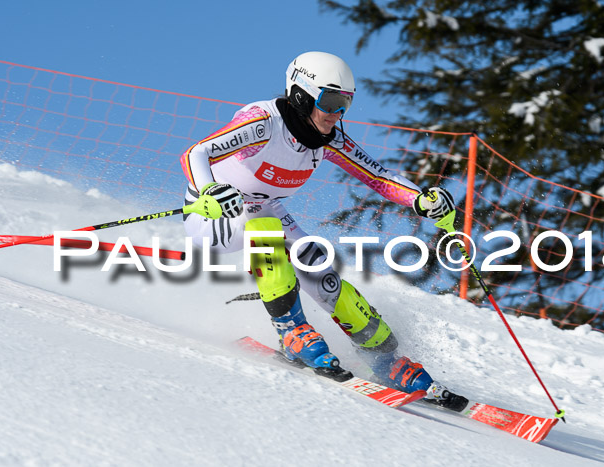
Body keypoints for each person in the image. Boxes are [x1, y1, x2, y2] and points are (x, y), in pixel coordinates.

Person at [180, 51, 466, 411]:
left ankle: (384, 358)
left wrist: (421, 201)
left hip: (264, 208)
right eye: (330, 100)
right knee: (265, 229)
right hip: (217, 213)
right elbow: (197, 152)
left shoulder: (327, 138)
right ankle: (291, 330)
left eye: (346, 102)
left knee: (320, 271)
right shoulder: (263, 122)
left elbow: (376, 175)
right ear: (301, 95)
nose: (337, 112)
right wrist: (207, 191)